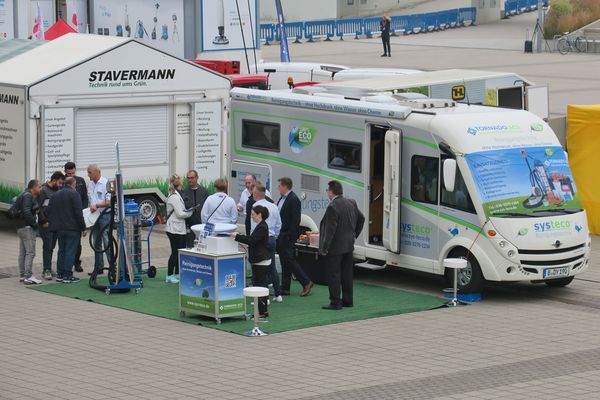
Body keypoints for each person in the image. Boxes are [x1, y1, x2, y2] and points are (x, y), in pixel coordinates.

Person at [319, 180, 365, 310]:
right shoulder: (351, 202)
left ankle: (335, 302)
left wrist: (324, 248)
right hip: (348, 245)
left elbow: (330, 231)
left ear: (331, 192)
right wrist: (354, 234)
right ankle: (347, 301)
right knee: (347, 274)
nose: (327, 192)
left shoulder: (332, 207)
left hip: (335, 247)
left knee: (334, 274)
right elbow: (361, 219)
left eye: (327, 190)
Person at [230, 205, 271, 319]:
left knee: (260, 287)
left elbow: (252, 240)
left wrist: (237, 236)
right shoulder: (260, 226)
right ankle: (262, 312)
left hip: (261, 260)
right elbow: (252, 239)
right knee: (259, 286)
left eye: (253, 214)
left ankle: (262, 313)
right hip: (259, 260)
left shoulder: (262, 227)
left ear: (259, 215)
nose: (251, 217)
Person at [276, 177, 314, 297]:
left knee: (289, 260)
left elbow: (295, 220)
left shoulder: (293, 199)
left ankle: (306, 282)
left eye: (279, 186)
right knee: (284, 261)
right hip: (281, 234)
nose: (278, 188)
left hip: (287, 236)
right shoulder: (282, 198)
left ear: (285, 186)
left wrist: (289, 236)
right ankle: (285, 288)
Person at [48, 177, 86, 283]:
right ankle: (68, 275)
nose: (76, 187)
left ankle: (60, 274)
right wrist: (83, 227)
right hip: (73, 228)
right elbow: (78, 213)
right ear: (72, 184)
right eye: (76, 185)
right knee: (70, 251)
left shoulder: (55, 195)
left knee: (62, 251)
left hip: (59, 228)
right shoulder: (74, 194)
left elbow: (49, 210)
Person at [250, 183, 282, 302]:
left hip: (259, 240)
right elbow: (279, 224)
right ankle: (278, 294)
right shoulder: (274, 206)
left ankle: (260, 296)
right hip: (272, 238)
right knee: (271, 267)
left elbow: (254, 227)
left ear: (256, 194)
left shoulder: (255, 207)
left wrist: (252, 239)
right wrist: (274, 236)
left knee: (258, 268)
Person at [165, 174, 192, 284]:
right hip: (174, 229)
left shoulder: (177, 195)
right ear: (180, 184)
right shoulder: (174, 197)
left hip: (179, 228)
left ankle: (177, 274)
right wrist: (191, 212)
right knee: (175, 252)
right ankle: (169, 275)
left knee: (179, 251)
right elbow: (180, 214)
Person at [38, 171, 65, 280]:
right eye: (59, 183)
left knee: (52, 247)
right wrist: (43, 221)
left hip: (56, 224)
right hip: (46, 224)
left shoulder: (58, 190)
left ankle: (48, 267)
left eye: (62, 183)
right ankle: (47, 270)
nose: (60, 185)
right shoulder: (43, 190)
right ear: (53, 180)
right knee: (47, 246)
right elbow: (38, 207)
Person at [15, 180, 43, 285]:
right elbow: (26, 211)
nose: (41, 189)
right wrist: (34, 225)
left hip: (20, 227)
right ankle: (28, 276)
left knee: (23, 252)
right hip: (27, 228)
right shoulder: (28, 196)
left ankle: (22, 275)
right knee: (30, 252)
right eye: (39, 187)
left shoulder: (23, 194)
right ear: (34, 187)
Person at [87, 164, 112, 275]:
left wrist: (96, 206)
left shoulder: (105, 183)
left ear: (97, 172)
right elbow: (90, 200)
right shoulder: (91, 184)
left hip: (104, 216)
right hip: (94, 217)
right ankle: (98, 267)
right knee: (96, 242)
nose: (88, 175)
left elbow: (109, 202)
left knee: (106, 241)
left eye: (90, 172)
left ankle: (113, 266)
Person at [64, 161, 88, 273]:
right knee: (65, 245)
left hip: (78, 216)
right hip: (66, 217)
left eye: (73, 173)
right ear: (65, 172)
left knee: (77, 244)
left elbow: (84, 198)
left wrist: (83, 212)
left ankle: (77, 263)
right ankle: (65, 266)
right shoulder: (62, 182)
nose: (71, 176)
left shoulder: (81, 181)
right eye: (69, 174)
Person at [182, 169, 209, 248]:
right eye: (188, 178)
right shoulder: (184, 192)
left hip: (202, 224)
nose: (190, 180)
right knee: (190, 246)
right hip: (189, 224)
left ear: (197, 178)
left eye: (192, 178)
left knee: (203, 246)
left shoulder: (204, 191)